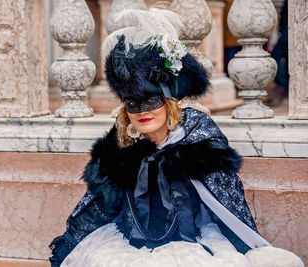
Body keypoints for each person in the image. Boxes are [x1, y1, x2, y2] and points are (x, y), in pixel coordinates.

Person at [49, 8, 303, 267]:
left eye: (151, 100)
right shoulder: (121, 144)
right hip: (125, 245)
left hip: (191, 245)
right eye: (133, 103)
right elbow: (99, 205)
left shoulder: (196, 135)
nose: (143, 111)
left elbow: (227, 201)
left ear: (169, 101)